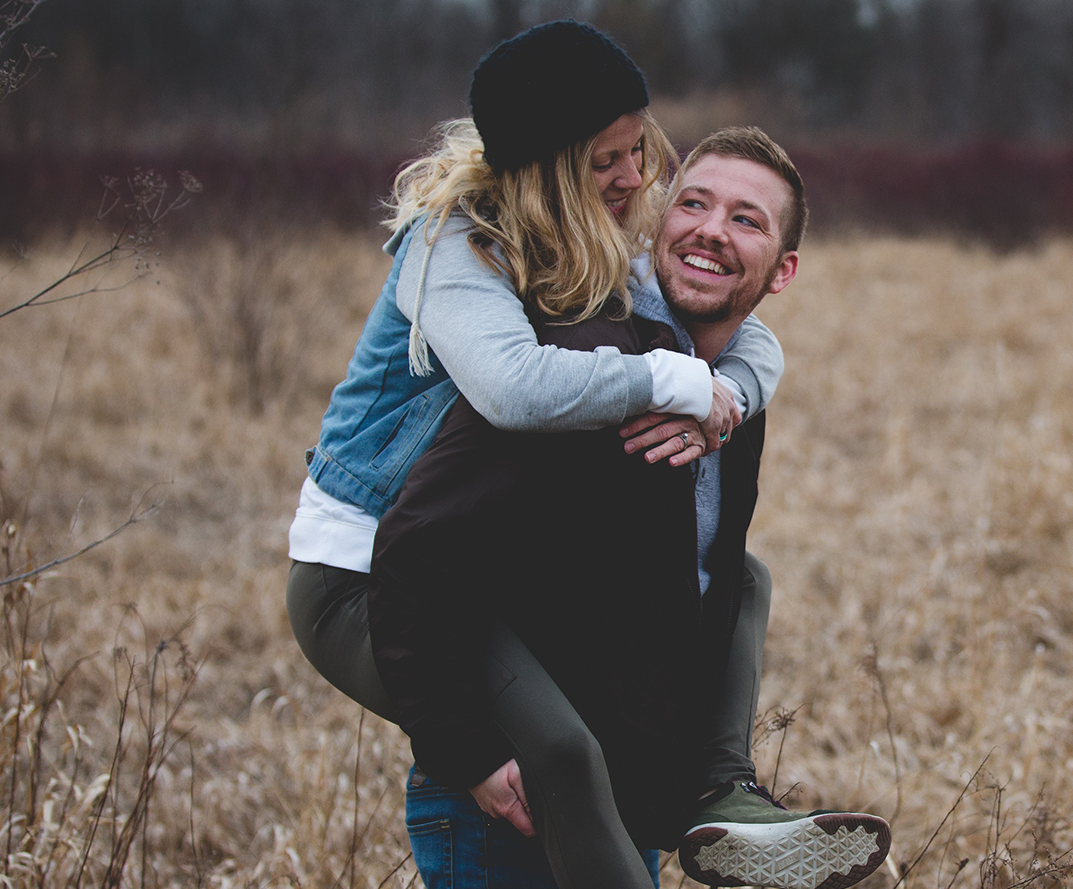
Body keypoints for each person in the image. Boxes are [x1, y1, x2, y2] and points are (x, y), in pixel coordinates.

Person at [281, 20, 797, 889]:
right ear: (547, 167)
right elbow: (513, 386)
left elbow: (737, 332)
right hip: (365, 568)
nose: (636, 178)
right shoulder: (455, 246)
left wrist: (728, 399)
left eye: (640, 149)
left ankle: (721, 790)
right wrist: (666, 381)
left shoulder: (585, 244)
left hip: (454, 562)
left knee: (740, 575)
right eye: (606, 161)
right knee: (557, 746)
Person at [372, 126, 892, 889]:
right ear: (655, 224)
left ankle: (726, 788)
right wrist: (465, 750)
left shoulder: (727, 386)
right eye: (694, 203)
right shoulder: (583, 361)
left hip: (622, 795)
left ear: (782, 272)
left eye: (746, 219)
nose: (713, 228)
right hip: (506, 799)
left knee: (743, 575)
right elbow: (416, 549)